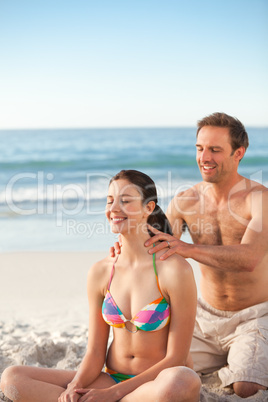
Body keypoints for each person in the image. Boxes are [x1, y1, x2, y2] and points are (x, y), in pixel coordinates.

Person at [1, 170, 201, 402]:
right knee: (12, 377)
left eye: (125, 201)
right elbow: (96, 352)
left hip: (155, 383)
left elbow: (176, 358)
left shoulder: (174, 270)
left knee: (183, 381)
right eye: (109, 201)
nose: (114, 208)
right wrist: (73, 388)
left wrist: (112, 394)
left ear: (148, 208)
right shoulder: (101, 271)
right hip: (111, 378)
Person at [142, 113, 268, 398]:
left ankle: (238, 364)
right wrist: (124, 249)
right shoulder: (186, 200)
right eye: (199, 148)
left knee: (247, 388)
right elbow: (155, 249)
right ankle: (230, 362)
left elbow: (250, 259)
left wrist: (187, 248)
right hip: (203, 316)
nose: (204, 157)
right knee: (158, 370)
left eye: (214, 149)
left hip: (256, 314)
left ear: (239, 153)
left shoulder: (259, 199)